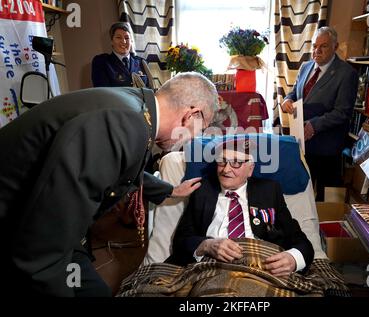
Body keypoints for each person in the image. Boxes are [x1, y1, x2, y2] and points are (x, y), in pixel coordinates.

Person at [0, 72, 218, 297]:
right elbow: (42, 246)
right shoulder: (123, 123)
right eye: (199, 130)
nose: (192, 139)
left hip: (52, 230)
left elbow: (120, 167)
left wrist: (170, 190)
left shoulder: (137, 110)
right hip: (23, 234)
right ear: (191, 115)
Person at [169, 137, 314, 277]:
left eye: (236, 163)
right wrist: (207, 245)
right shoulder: (203, 191)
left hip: (261, 268)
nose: (226, 170)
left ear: (250, 169)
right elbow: (181, 240)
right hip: (212, 268)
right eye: (222, 162)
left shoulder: (269, 191)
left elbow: (299, 240)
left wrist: (293, 259)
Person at [281, 27, 358, 201]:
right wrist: (287, 100)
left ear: (335, 46)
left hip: (327, 149)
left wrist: (314, 125)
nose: (317, 51)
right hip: (302, 145)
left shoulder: (347, 74)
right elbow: (294, 93)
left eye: (323, 46)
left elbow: (342, 112)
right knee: (302, 194)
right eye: (315, 46)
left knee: (327, 201)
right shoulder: (306, 66)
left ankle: (324, 227)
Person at [92, 22, 151, 88]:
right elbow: (103, 93)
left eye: (127, 38)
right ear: (111, 41)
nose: (123, 41)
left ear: (131, 41)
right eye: (118, 37)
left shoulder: (142, 62)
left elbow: (150, 90)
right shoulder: (101, 62)